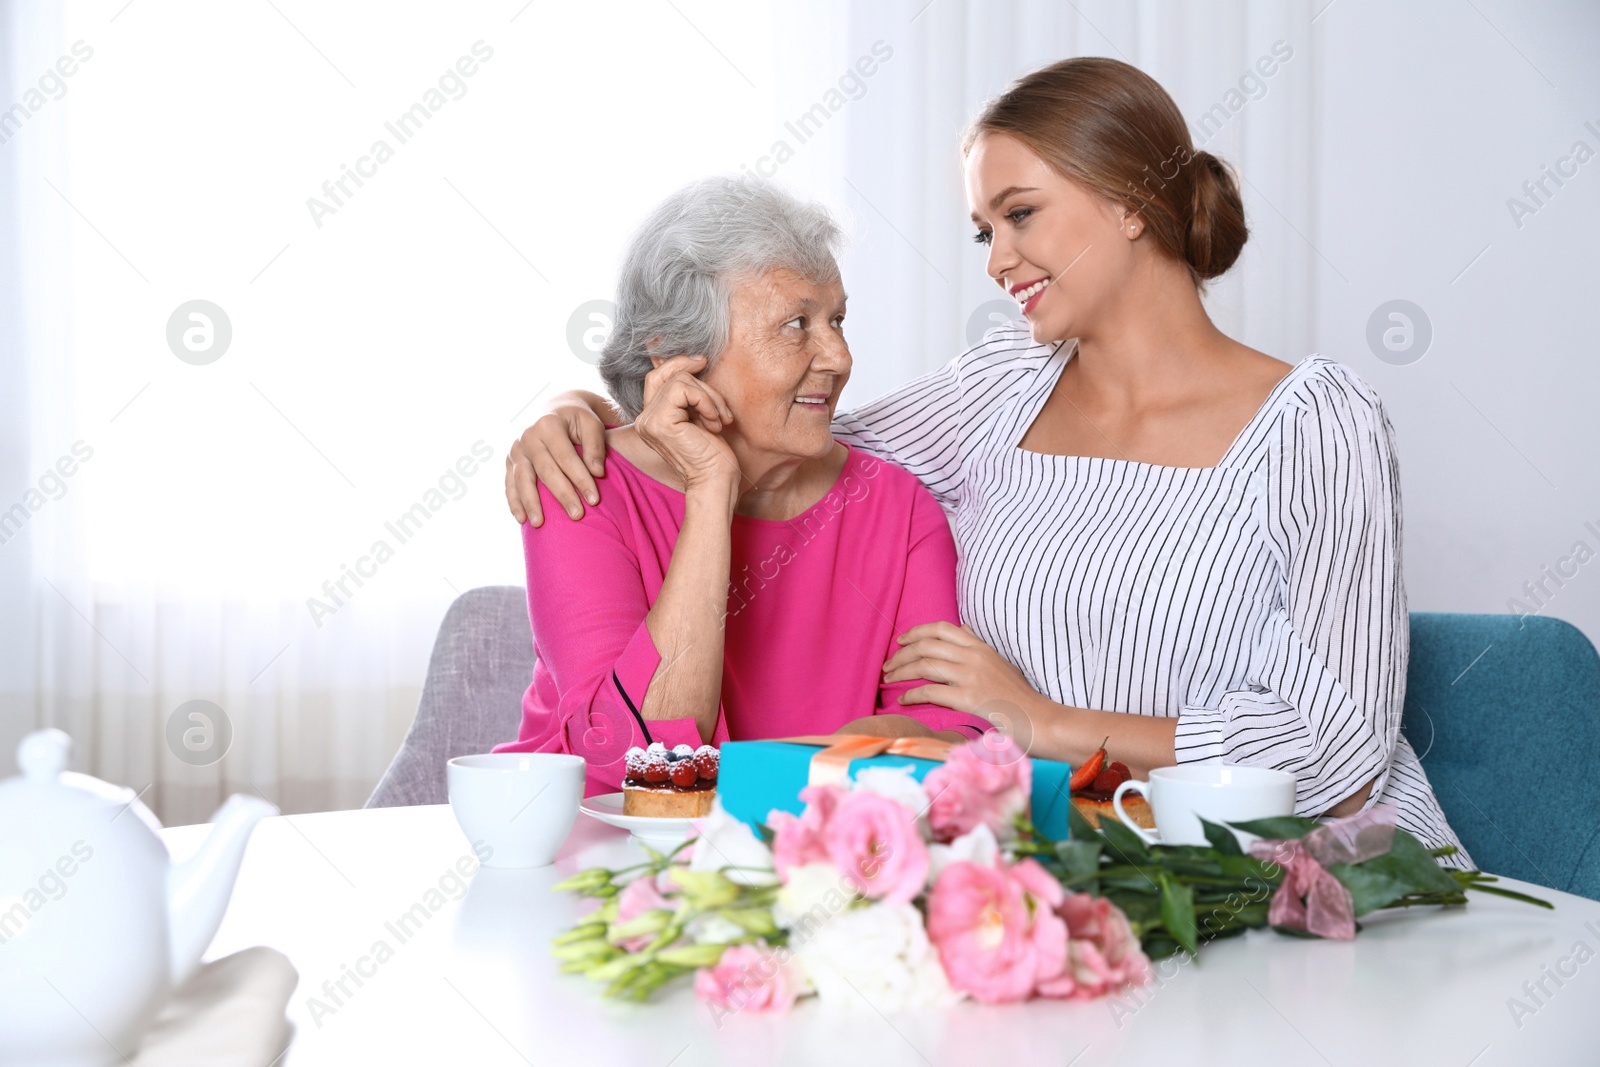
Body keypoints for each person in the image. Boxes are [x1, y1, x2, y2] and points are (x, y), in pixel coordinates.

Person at [502, 58, 1470, 861]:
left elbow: (1335, 748)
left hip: (1299, 868)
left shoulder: (1315, 422)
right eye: (982, 229)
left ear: (1131, 202)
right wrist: (591, 402)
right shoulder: (1000, 390)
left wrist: (1043, 721)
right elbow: (779, 436)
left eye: (1019, 214)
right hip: (1074, 860)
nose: (996, 259)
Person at [491, 176, 991, 796]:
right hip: (593, 856)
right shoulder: (579, 482)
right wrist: (710, 494)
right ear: (674, 353)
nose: (838, 357)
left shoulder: (896, 507)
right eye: (795, 325)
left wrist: (790, 781)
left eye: (836, 319)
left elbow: (952, 738)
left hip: (808, 858)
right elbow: (631, 761)